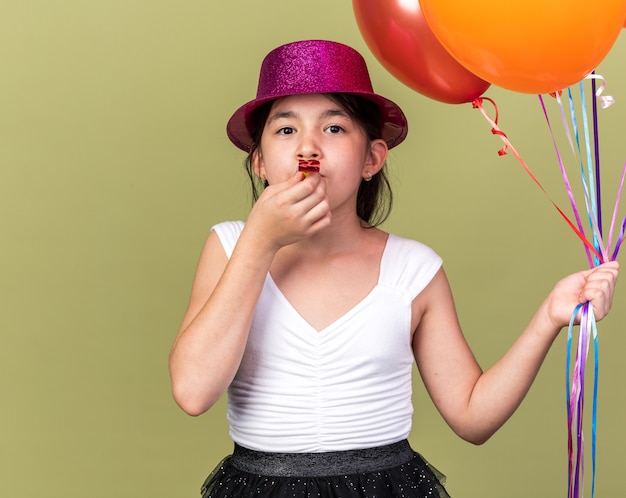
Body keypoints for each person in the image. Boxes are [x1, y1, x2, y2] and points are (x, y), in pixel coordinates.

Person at [169, 40, 619, 498]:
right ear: (260, 161)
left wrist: (548, 317)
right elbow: (192, 392)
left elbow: (471, 415)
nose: (308, 146)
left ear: (372, 158)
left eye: (335, 128)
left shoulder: (413, 269)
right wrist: (259, 242)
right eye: (286, 130)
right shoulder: (229, 246)